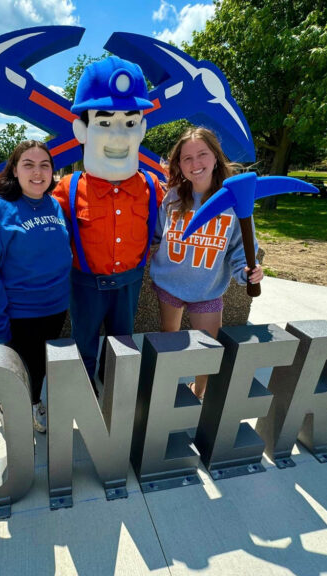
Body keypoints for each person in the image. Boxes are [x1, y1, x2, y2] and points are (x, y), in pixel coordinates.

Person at [52, 56, 163, 389]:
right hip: (84, 287)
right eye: (104, 122)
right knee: (82, 348)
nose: (119, 135)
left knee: (122, 349)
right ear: (81, 130)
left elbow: (192, 212)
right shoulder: (66, 190)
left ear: (142, 129)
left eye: (130, 123)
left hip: (129, 286)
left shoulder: (152, 187)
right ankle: (85, 397)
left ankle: (114, 396)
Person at [149, 127, 263, 399]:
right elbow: (156, 234)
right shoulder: (173, 196)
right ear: (179, 165)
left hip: (208, 289)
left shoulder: (235, 201)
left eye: (202, 154)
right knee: (169, 337)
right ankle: (168, 388)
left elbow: (240, 249)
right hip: (169, 283)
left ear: (215, 157)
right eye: (186, 158)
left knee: (208, 349)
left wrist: (245, 272)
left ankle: (200, 394)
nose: (195, 163)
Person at [0, 140, 71, 433]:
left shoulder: (53, 204)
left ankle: (33, 401)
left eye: (44, 165)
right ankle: (8, 407)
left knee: (38, 368)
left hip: (54, 308)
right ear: (14, 170)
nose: (37, 172)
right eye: (28, 164)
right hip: (19, 314)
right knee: (21, 372)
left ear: (53, 171)